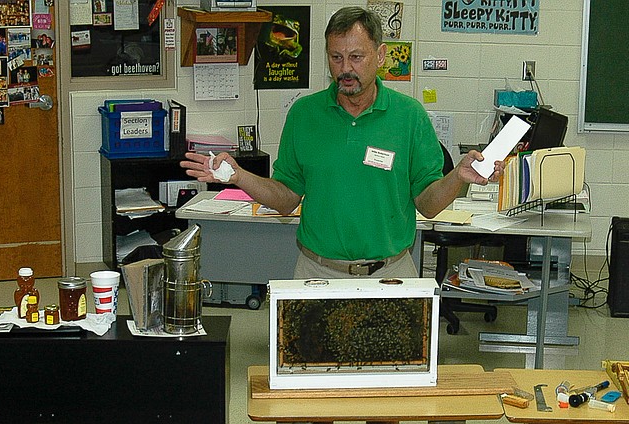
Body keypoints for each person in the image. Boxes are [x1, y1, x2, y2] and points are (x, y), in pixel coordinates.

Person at [181, 6, 505, 280]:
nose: (345, 68)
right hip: (316, 272)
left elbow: (428, 204)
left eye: (356, 57)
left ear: (380, 55)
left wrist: (457, 178)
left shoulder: (409, 116)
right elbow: (285, 200)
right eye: (336, 57)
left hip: (391, 274)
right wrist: (239, 176)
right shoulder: (305, 114)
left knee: (396, 359)